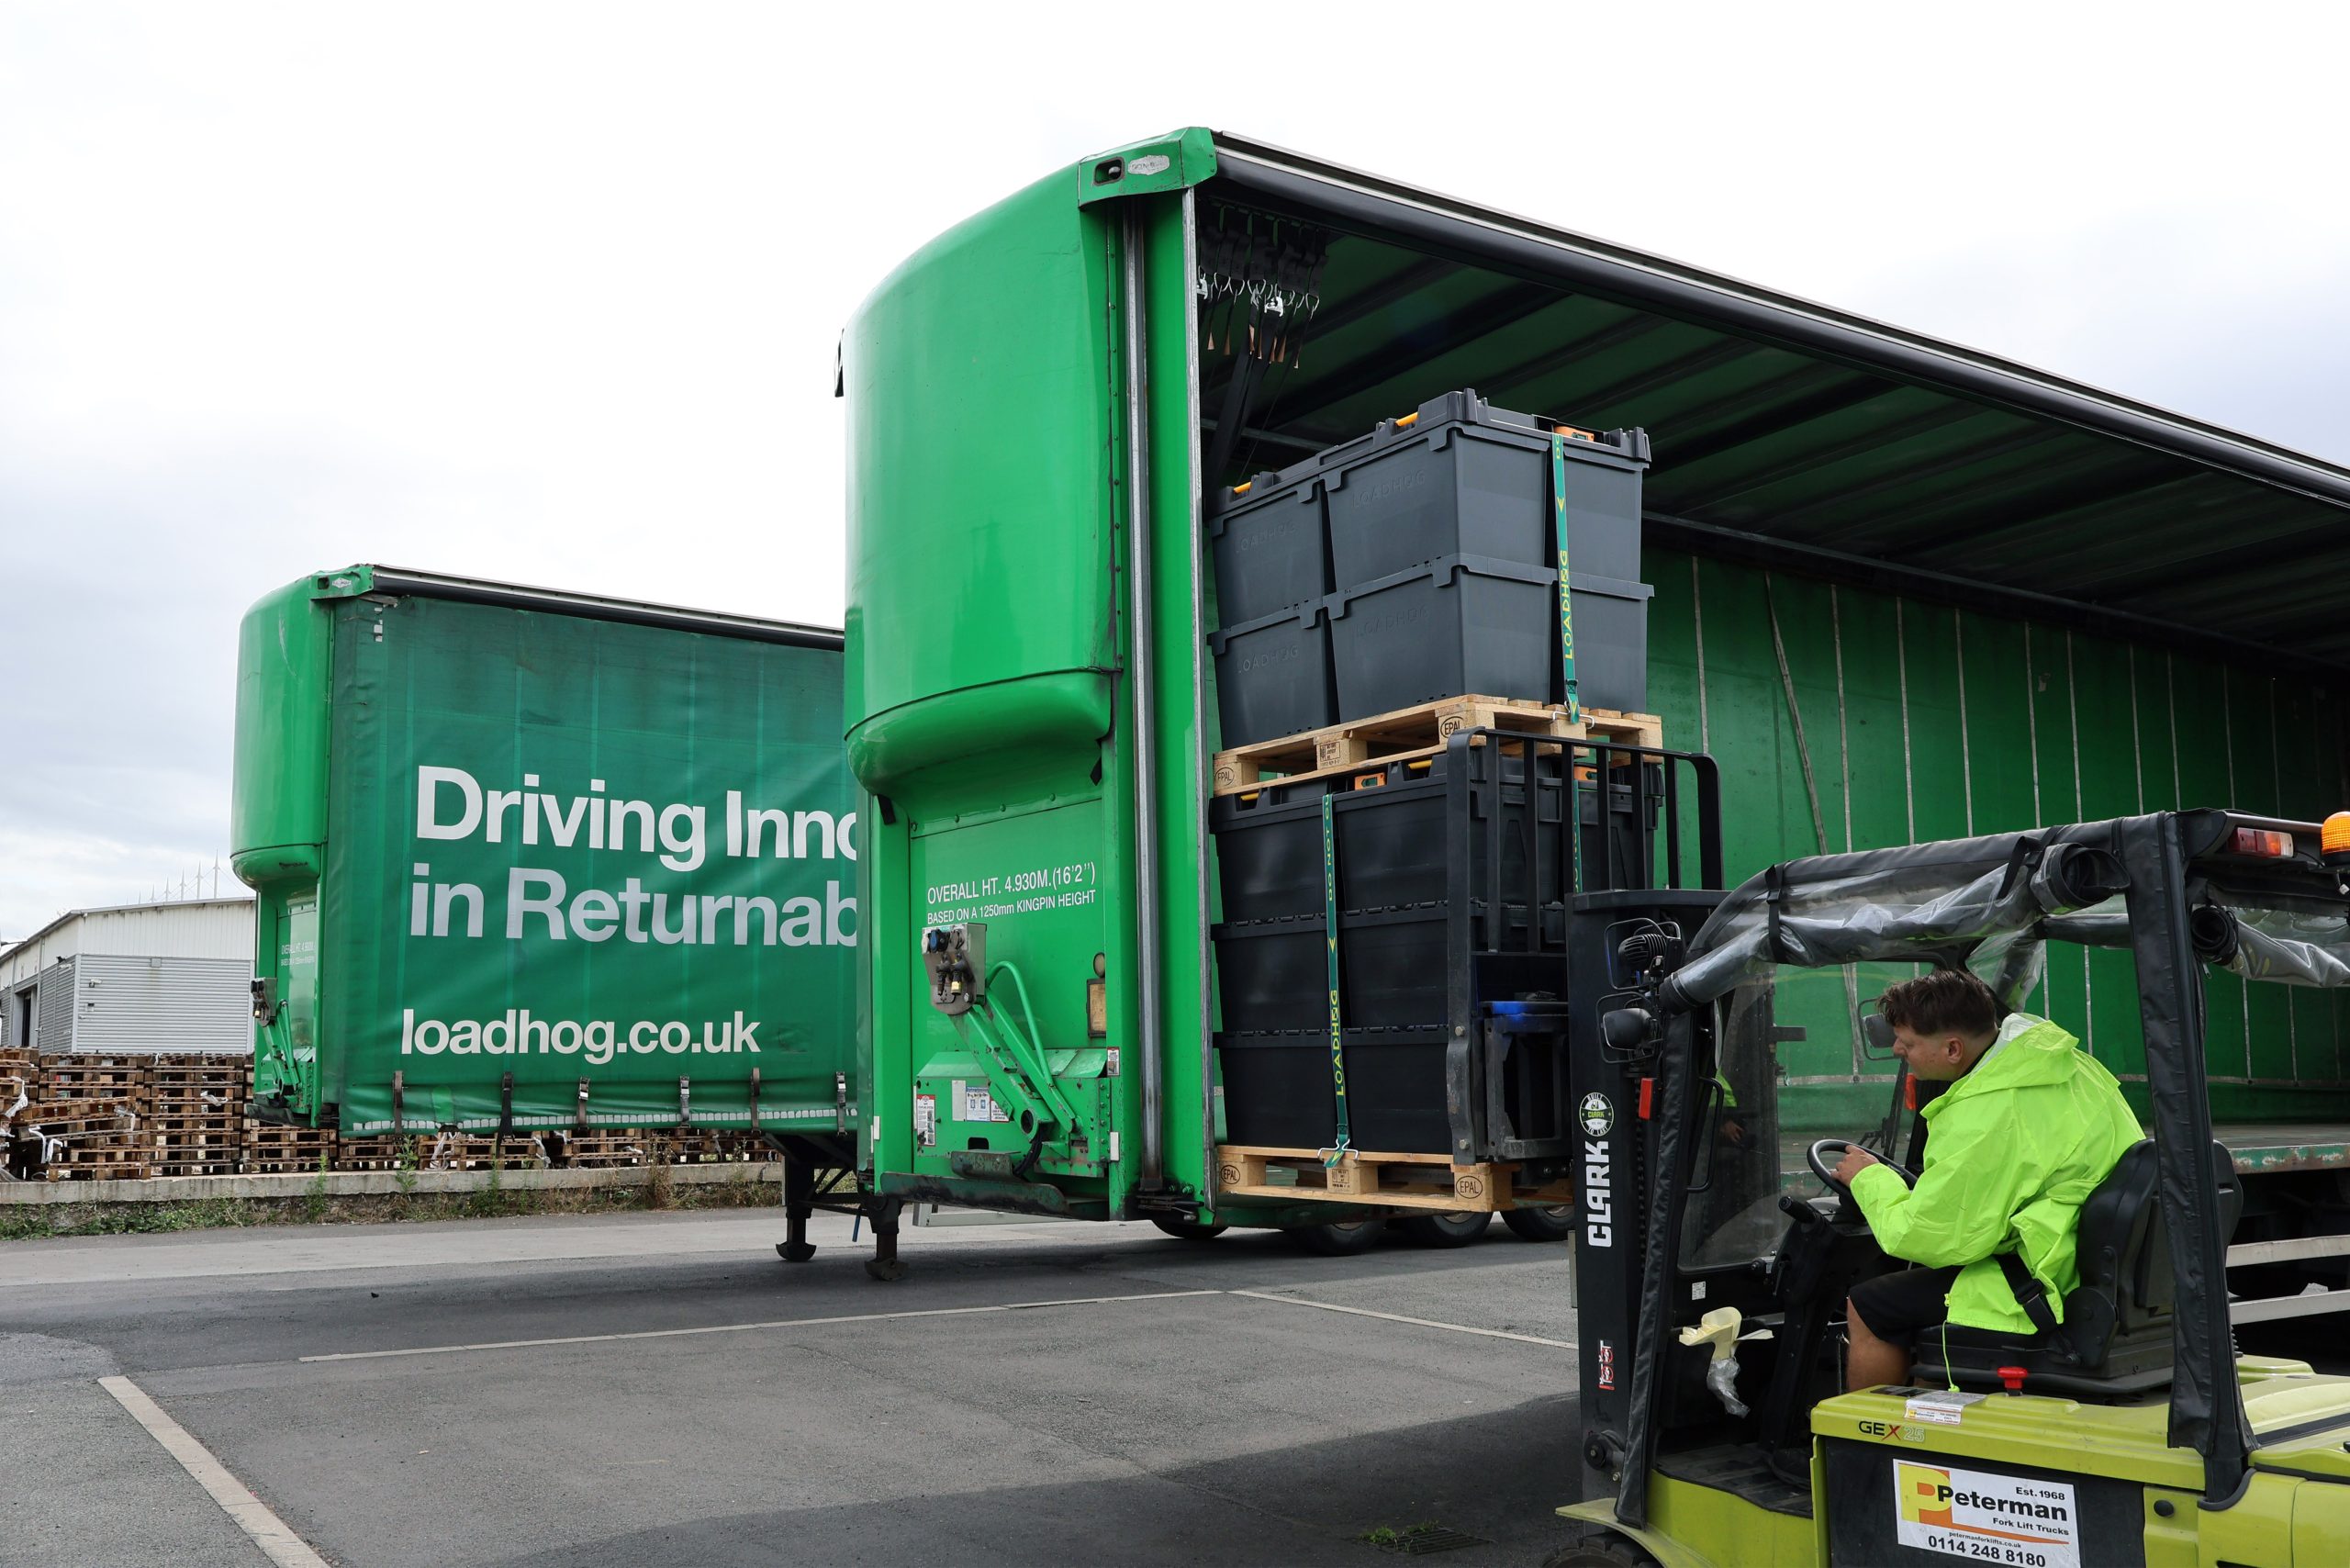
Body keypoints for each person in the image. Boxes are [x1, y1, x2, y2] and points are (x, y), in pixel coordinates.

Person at [1834, 969, 2142, 1391]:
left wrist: (1869, 1180)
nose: (1897, 1049)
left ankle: (1869, 1439)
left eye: (1908, 1042)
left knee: (1869, 1306)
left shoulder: (1984, 1116)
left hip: (2044, 1278)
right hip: (2086, 1255)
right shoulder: (2061, 1064)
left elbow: (1930, 1237)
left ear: (1953, 1048)